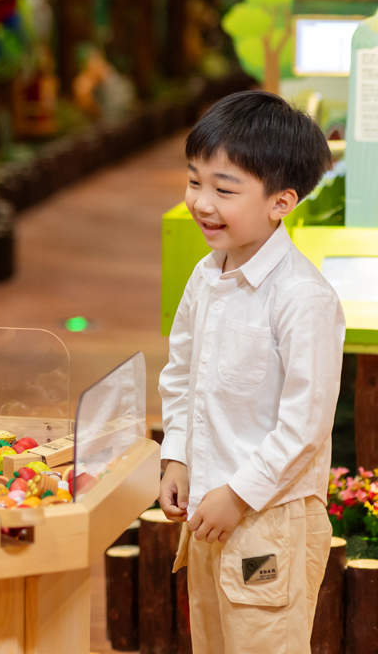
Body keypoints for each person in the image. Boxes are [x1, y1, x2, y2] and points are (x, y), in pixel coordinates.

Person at [158, 90, 343, 653]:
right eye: (195, 181)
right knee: (212, 640)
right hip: (210, 510)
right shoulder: (204, 275)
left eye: (224, 189)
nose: (201, 202)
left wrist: (238, 495)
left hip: (270, 519)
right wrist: (178, 455)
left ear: (281, 202)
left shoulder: (302, 297)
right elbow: (182, 375)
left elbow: (305, 426)